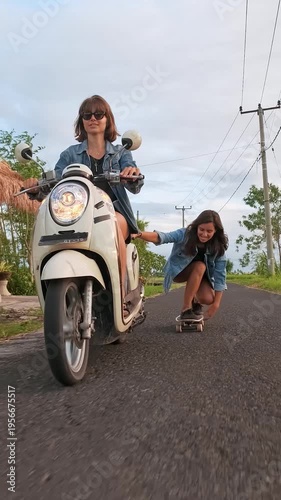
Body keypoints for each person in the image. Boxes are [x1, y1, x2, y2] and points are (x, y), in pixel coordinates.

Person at [23, 95, 144, 316]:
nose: (93, 119)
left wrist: (132, 174)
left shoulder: (121, 152)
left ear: (108, 119)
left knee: (114, 223)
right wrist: (35, 186)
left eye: (99, 114)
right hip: (79, 213)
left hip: (113, 212)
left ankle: (121, 291)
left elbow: (135, 182)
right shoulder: (70, 154)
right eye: (87, 115)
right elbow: (55, 181)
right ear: (82, 121)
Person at [132, 210, 228, 320]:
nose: (204, 234)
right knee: (200, 266)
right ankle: (186, 309)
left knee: (208, 299)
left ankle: (195, 300)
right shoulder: (184, 234)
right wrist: (139, 234)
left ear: (216, 231)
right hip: (179, 272)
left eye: (209, 231)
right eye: (201, 229)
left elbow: (220, 277)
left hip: (201, 277)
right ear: (197, 226)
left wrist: (215, 305)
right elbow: (163, 237)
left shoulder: (218, 247)